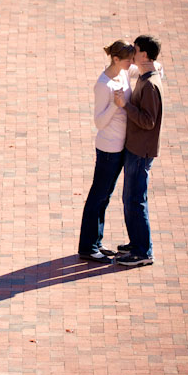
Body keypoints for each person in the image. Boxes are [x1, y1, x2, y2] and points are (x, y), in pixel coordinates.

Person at [78, 40, 135, 263]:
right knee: (97, 197)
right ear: (116, 59)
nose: (131, 63)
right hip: (108, 148)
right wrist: (115, 104)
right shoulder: (103, 85)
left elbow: (145, 68)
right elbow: (99, 122)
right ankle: (88, 247)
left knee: (105, 196)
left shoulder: (123, 72)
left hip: (120, 147)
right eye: (128, 59)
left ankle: (96, 242)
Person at [113, 35, 164, 266]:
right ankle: (137, 243)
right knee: (130, 198)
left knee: (135, 200)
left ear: (144, 55)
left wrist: (126, 106)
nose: (132, 52)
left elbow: (148, 121)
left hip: (140, 152)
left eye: (135, 49)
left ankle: (143, 252)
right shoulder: (145, 76)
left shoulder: (150, 85)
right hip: (135, 149)